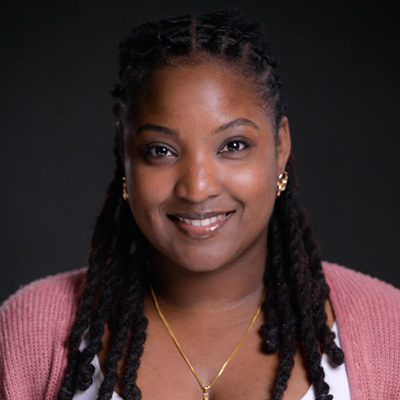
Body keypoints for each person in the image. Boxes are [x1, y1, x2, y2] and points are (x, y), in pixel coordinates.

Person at [1, 9, 399, 400]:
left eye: (233, 145)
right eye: (160, 150)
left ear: (280, 146)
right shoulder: (27, 332)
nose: (196, 187)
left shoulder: (388, 330)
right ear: (123, 155)